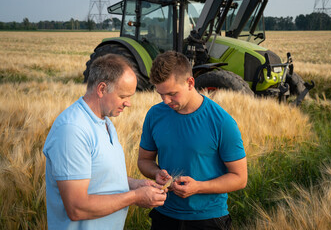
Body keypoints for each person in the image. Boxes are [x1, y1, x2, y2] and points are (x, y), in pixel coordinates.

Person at [43, 54, 166, 230]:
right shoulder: (72, 130)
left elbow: (99, 178)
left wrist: (135, 185)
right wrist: (135, 197)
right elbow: (77, 207)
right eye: (123, 96)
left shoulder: (105, 122)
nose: (128, 103)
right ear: (101, 89)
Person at [138, 51, 248, 230]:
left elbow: (240, 178)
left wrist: (198, 187)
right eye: (161, 94)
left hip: (209, 220)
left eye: (172, 93)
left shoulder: (222, 121)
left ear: (190, 83)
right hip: (163, 215)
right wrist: (156, 173)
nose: (165, 101)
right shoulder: (154, 115)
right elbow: (144, 160)